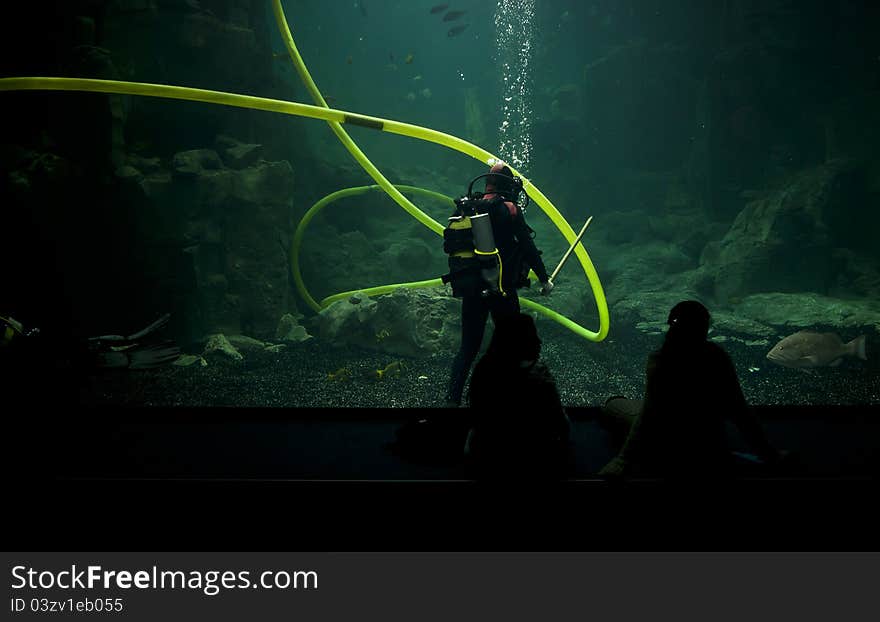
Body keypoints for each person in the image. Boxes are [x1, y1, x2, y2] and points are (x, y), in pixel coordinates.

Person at [599, 300, 783, 479]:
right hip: (711, 448)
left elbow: (647, 416)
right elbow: (740, 411)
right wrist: (770, 454)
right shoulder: (718, 357)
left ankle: (614, 403)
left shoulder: (660, 360)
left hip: (665, 448)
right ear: (705, 327)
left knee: (614, 405)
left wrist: (622, 460)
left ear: (671, 324)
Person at [442, 161, 553, 407]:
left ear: (487, 183)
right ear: (509, 186)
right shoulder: (510, 209)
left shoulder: (470, 206)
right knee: (512, 348)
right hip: (501, 289)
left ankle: (451, 403)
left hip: (472, 288)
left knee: (468, 349)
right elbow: (527, 247)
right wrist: (544, 279)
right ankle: (512, 404)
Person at [465, 312, 570, 479]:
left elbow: (478, 422)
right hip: (535, 462)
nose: (539, 341)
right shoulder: (539, 377)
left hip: (489, 460)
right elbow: (561, 423)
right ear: (526, 342)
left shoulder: (483, 371)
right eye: (534, 335)